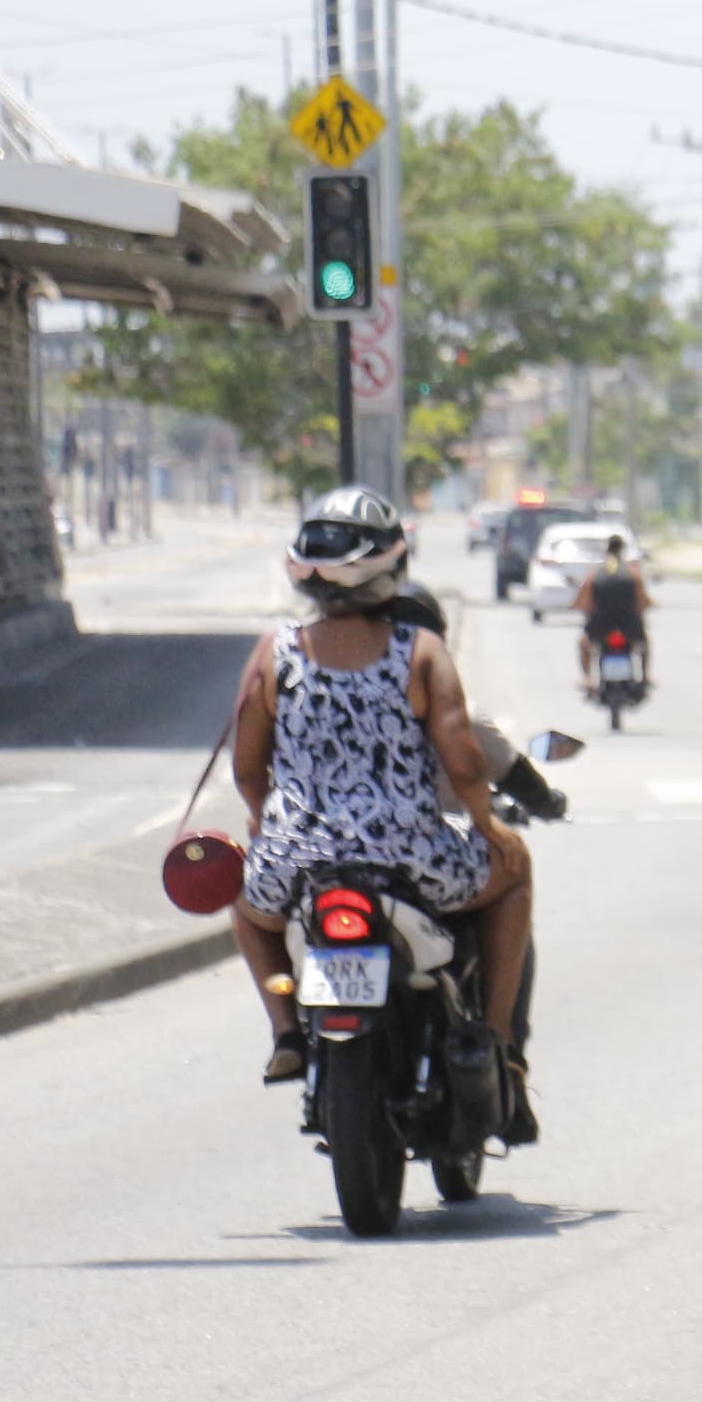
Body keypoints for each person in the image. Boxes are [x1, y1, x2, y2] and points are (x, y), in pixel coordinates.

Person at [229, 488, 537, 1139]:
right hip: (409, 859)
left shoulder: (274, 651)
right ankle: (503, 1039)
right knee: (516, 872)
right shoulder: (419, 650)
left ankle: (285, 1024)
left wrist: (268, 824)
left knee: (248, 913)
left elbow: (247, 768)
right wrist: (490, 830)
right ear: (391, 565)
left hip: (300, 860)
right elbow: (462, 759)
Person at [576, 533, 654, 693]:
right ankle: (645, 676)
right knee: (645, 644)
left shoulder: (595, 572)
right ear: (622, 550)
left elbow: (584, 600)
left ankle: (587, 678)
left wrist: (577, 607)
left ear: (606, 550)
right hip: (629, 624)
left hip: (601, 624)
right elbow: (643, 601)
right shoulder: (632, 573)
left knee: (584, 644)